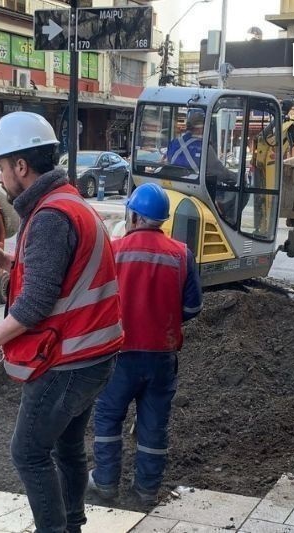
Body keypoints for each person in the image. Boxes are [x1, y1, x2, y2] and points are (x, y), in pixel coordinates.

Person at [0, 112, 123, 533]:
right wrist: (7, 260)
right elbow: (61, 274)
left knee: (28, 453)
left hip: (68, 359)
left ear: (21, 166)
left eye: (2, 167)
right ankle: (72, 524)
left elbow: (37, 303)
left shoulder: (50, 216)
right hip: (92, 356)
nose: (0, 177)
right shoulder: (68, 203)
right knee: (67, 447)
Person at [89, 183, 202, 506]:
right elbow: (193, 308)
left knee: (109, 417)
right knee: (154, 425)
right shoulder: (182, 254)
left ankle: (106, 482)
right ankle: (146, 490)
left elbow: (96, 299)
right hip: (161, 357)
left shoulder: (114, 249)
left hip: (119, 355)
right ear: (161, 220)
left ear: (134, 216)